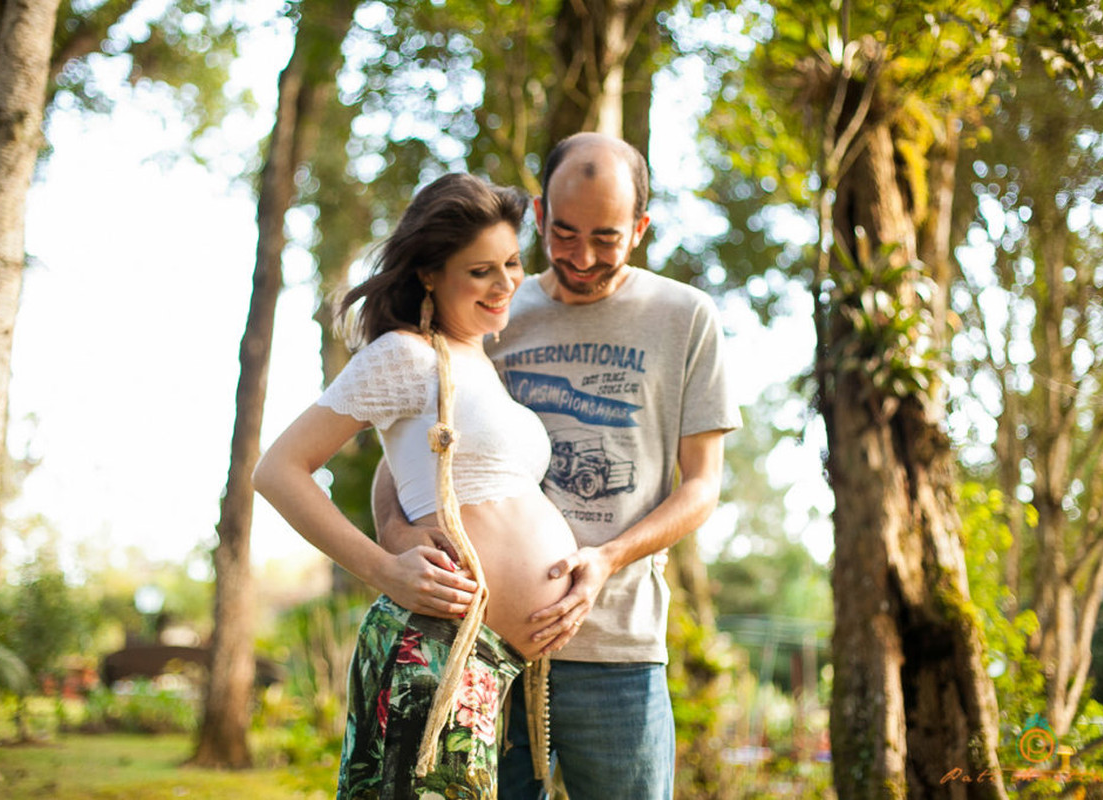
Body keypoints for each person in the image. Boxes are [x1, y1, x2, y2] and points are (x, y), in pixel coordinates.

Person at [374, 132, 742, 799]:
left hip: (616, 648)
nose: (581, 258)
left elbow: (702, 486)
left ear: (641, 227)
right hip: (482, 648)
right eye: (564, 234)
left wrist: (607, 557)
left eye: (607, 238)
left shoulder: (685, 318)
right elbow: (413, 449)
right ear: (539, 216)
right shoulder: (493, 305)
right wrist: (398, 542)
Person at [252, 172, 579, 799]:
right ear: (429, 273)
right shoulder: (404, 355)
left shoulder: (475, 360)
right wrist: (386, 566)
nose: (506, 282)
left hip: (490, 665)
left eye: (512, 262)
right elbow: (278, 471)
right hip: (430, 654)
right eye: (480, 270)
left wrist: (397, 524)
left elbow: (400, 462)